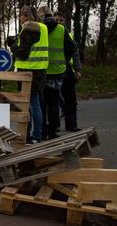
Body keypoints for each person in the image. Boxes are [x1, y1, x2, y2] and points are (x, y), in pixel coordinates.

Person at [8, 6, 48, 144]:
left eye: (20, 16)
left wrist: (12, 46)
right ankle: (36, 133)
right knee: (35, 102)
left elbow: (23, 54)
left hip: (27, 72)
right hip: (41, 70)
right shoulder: (43, 28)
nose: (20, 19)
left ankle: (34, 135)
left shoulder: (28, 29)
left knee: (32, 104)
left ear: (25, 16)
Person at [37, 6, 77, 140]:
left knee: (42, 103)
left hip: (42, 70)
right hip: (59, 71)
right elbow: (72, 47)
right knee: (54, 102)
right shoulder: (61, 29)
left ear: (42, 15)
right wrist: (63, 59)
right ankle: (53, 132)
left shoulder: (40, 28)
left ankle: (42, 132)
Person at [54, 11, 82, 132]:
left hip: (67, 70)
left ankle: (72, 125)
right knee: (53, 100)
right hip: (53, 71)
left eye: (61, 20)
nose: (59, 22)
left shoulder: (68, 35)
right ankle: (54, 127)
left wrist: (78, 69)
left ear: (64, 21)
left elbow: (75, 54)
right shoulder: (49, 33)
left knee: (71, 99)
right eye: (57, 20)